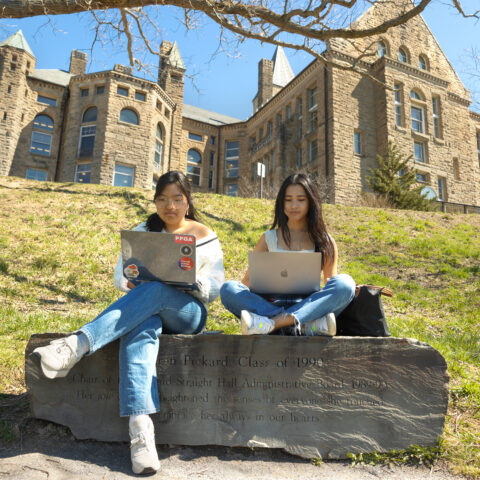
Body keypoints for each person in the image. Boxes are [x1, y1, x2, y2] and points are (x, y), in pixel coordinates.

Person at [32, 171, 224, 475]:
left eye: (176, 199)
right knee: (141, 326)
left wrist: (193, 280)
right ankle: (141, 431)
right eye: (162, 199)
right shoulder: (144, 229)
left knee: (158, 291)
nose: (169, 206)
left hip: (189, 313)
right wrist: (130, 282)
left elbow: (217, 287)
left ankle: (77, 344)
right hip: (146, 308)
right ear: (155, 201)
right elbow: (120, 273)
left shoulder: (204, 233)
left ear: (187, 200)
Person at [220, 173, 355, 336]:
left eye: (301, 199)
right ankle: (302, 325)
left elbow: (329, 285)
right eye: (288, 199)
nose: (294, 205)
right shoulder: (268, 238)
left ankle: (273, 324)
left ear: (311, 202)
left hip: (306, 303)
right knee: (228, 289)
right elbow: (248, 282)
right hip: (270, 304)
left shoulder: (325, 241)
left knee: (345, 284)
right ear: (281, 203)